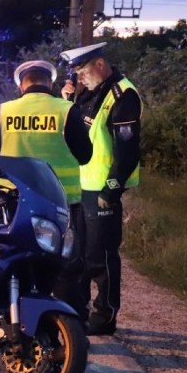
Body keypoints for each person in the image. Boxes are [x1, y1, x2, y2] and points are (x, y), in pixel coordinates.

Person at [0, 60, 92, 317]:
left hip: (14, 201)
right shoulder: (67, 111)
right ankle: (69, 325)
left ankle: (12, 317)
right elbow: (85, 155)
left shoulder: (4, 110)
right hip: (61, 202)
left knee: (15, 258)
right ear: (50, 82)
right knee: (66, 264)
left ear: (22, 84)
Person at [59, 43, 142, 336]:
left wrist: (112, 190)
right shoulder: (87, 92)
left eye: (82, 71)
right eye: (76, 73)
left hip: (102, 190)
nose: (79, 78)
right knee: (76, 255)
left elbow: (128, 151)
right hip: (79, 188)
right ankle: (75, 313)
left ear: (99, 64)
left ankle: (104, 317)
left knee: (101, 257)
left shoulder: (123, 95)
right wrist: (66, 101)